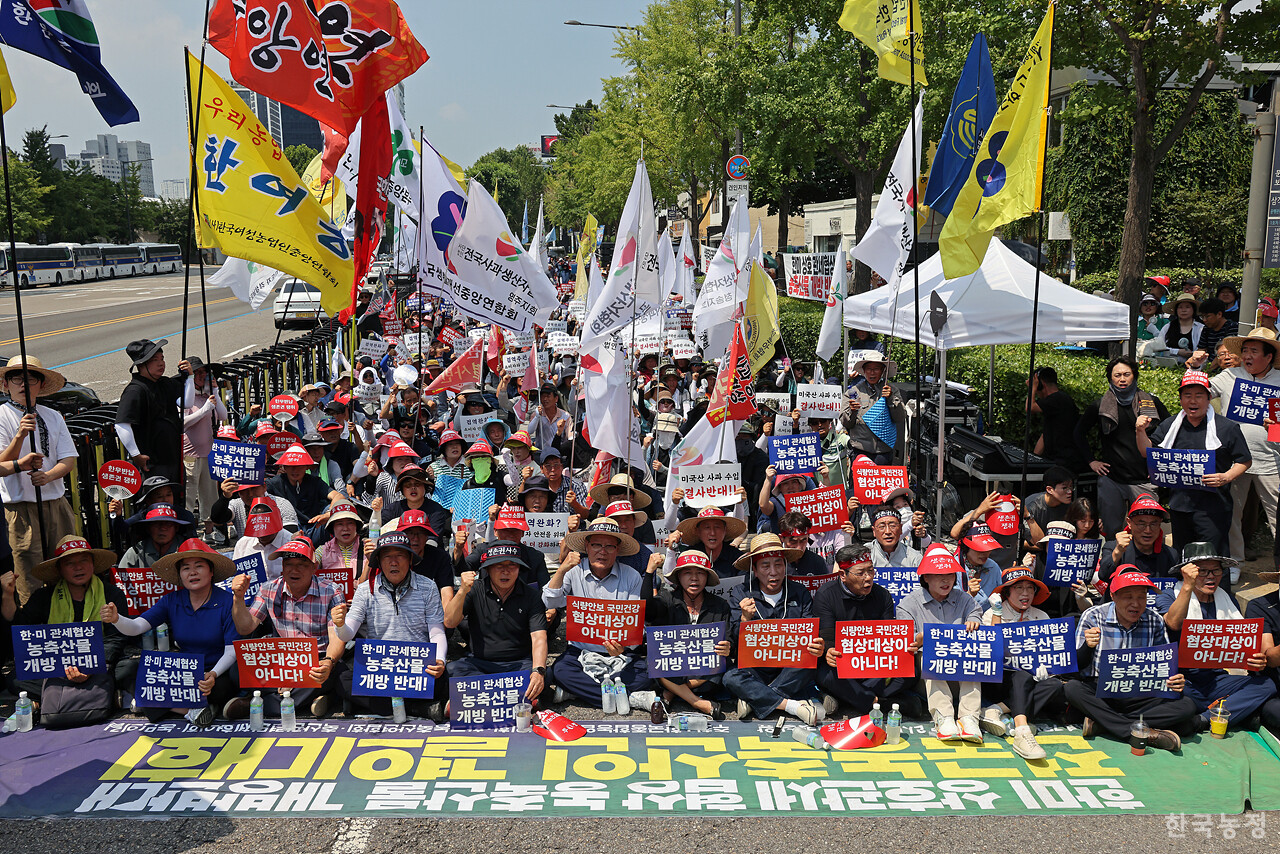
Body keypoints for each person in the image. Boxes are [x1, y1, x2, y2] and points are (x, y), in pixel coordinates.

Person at [101, 538, 239, 726]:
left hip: (214, 673)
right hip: (180, 673)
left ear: (211, 571)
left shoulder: (227, 601)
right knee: (125, 669)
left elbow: (231, 651)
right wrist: (117, 619)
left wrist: (213, 674)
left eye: (199, 566)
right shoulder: (171, 600)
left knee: (227, 685)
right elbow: (137, 627)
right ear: (180, 575)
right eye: (186, 568)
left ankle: (147, 701)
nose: (192, 572)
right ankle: (190, 710)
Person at [1063, 568, 1196, 750]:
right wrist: (1088, 646)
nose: (1136, 604)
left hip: (1140, 694)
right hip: (1102, 692)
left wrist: (1174, 680)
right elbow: (1075, 669)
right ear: (1113, 596)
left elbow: (1164, 666)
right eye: (1128, 597)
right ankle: (1141, 732)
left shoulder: (1154, 620)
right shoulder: (1093, 616)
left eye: (1141, 597)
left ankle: (1105, 723)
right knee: (1072, 689)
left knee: (1187, 705)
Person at [2, 535, 129, 724]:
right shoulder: (44, 597)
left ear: (93, 564)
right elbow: (20, 632)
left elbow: (117, 639)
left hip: (99, 666)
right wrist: (7, 595)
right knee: (15, 678)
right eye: (70, 563)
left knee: (131, 667)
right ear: (60, 570)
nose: (78, 567)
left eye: (84, 561)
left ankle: (53, 695)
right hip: (57, 669)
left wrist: (89, 667)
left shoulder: (111, 593)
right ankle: (102, 693)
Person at [1157, 542, 1275, 732]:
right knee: (1172, 696)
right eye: (1202, 572)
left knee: (1266, 685)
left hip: (1216, 679)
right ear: (1186, 573)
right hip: (1181, 679)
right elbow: (1173, 623)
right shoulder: (1169, 595)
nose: (1211, 577)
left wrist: (1254, 661)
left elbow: (1241, 647)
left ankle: (1205, 719)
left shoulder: (1227, 600)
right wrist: (1188, 586)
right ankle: (1233, 713)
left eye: (1216, 571)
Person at [226, 536, 346, 719]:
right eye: (289, 564)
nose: (294, 570)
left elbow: (336, 636)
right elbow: (245, 627)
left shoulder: (331, 590)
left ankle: (257, 704)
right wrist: (238, 599)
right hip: (281, 660)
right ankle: (305, 698)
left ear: (314, 567)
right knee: (237, 672)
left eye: (302, 564)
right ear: (282, 567)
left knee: (333, 673)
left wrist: (328, 662)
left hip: (316, 658)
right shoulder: (268, 589)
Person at [331, 531, 447, 718]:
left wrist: (440, 660)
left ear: (410, 559)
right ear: (379, 561)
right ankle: (417, 709)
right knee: (342, 679)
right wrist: (340, 624)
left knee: (445, 678)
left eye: (400, 555)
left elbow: (437, 632)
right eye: (387, 557)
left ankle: (383, 707)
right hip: (381, 670)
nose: (394, 562)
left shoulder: (427, 587)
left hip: (416, 667)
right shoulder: (364, 590)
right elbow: (347, 634)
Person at [542, 519, 652, 707]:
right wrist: (561, 570)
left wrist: (624, 646)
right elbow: (549, 601)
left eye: (610, 546)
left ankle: (576, 693)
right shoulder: (573, 571)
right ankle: (628, 699)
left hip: (618, 651)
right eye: (596, 545)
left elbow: (636, 623)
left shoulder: (632, 575)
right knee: (560, 671)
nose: (603, 551)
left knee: (648, 674)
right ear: (587, 546)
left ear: (618, 550)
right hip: (580, 651)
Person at [1140, 370, 1250, 553]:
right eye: (1187, 395)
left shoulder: (1227, 427)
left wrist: (1226, 477)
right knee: (1184, 556)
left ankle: (1218, 583)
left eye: (1199, 395)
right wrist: (1140, 431)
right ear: (1181, 399)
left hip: (1214, 507)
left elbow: (1244, 460)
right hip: (1179, 506)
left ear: (1208, 398)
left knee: (1213, 557)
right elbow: (1147, 453)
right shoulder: (1170, 425)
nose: (1193, 401)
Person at [0, 356, 79, 603]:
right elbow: (1, 463)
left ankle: (67, 621)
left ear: (41, 385)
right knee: (28, 576)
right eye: (16, 378)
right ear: (6, 385)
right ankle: (34, 628)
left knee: (66, 566)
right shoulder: (2, 416)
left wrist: (47, 476)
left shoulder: (53, 415)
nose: (24, 384)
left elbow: (68, 459)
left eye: (31, 378)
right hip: (21, 508)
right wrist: (20, 437)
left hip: (56, 503)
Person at [725, 533, 827, 724]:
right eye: (765, 565)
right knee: (730, 677)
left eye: (778, 564)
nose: (774, 572)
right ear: (754, 569)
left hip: (789, 668)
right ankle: (793, 706)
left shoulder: (799, 591)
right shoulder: (742, 592)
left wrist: (817, 646)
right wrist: (746, 619)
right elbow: (736, 640)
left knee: (812, 663)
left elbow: (810, 633)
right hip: (755, 667)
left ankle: (756, 698)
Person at [814, 544, 919, 717]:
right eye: (860, 573)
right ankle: (884, 703)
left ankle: (857, 699)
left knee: (910, 670)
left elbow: (889, 637)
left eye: (871, 570)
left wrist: (906, 646)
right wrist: (829, 651)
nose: (868, 578)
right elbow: (827, 638)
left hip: (874, 666)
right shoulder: (826, 595)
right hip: (842, 665)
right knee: (824, 673)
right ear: (843, 575)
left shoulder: (883, 595)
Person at [896, 544, 983, 742]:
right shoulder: (908, 604)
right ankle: (943, 717)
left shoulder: (963, 598)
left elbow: (975, 612)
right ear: (925, 577)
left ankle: (969, 717)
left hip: (962, 674)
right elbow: (906, 640)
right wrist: (917, 640)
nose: (946, 580)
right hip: (927, 678)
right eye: (938, 575)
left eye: (950, 575)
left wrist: (974, 622)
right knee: (930, 652)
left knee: (973, 650)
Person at [1074, 357, 1168, 538]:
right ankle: (1113, 564)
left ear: (1135, 376)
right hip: (1112, 480)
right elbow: (1078, 433)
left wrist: (1159, 464)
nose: (1122, 379)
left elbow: (1170, 431)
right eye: (1117, 375)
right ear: (1110, 378)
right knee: (1111, 532)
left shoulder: (1150, 402)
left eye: (1127, 374)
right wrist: (1091, 461)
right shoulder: (1100, 405)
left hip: (1144, 480)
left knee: (1148, 532)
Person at [443, 541, 548, 703]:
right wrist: (462, 591)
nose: (505, 571)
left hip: (518, 664)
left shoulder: (532, 596)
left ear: (519, 569)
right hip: (479, 663)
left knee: (545, 675)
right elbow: (449, 622)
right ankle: (516, 699)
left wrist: (538, 670)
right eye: (499, 566)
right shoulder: (474, 589)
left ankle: (477, 698)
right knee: (451, 670)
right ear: (488, 569)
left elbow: (539, 637)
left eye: (512, 565)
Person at [1212, 328, 1280, 568]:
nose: (1247, 356)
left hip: (1271, 461)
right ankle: (1234, 563)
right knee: (1231, 514)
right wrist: (1195, 368)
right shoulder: (1229, 376)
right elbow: (1198, 392)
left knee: (1277, 515)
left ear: (1269, 357)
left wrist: (1278, 425)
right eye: (1245, 351)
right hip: (1235, 460)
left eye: (1254, 351)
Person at [981, 567, 1064, 761]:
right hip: (1000, 679)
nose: (1025, 593)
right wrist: (997, 613)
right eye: (1019, 588)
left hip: (1029, 682)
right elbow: (990, 650)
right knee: (1021, 675)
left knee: (1055, 685)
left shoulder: (1042, 616)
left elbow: (1050, 654)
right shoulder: (991, 613)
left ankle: (998, 711)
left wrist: (1047, 670)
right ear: (1007, 592)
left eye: (1030, 588)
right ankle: (1022, 731)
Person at [644, 550, 731, 719]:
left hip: (704, 674)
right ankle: (696, 702)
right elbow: (647, 610)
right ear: (678, 577)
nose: (694, 578)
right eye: (687, 573)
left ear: (707, 577)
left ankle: (672, 692)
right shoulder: (667, 599)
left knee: (724, 670)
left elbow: (728, 640)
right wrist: (649, 573)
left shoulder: (720, 605)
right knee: (653, 661)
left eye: (700, 573)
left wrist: (727, 647)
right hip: (672, 668)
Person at [115, 338, 187, 494]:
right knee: (156, 504)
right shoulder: (135, 391)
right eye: (155, 360)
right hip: (153, 463)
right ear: (142, 365)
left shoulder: (164, 383)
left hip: (172, 458)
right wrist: (136, 455)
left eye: (162, 359)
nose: (161, 363)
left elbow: (186, 402)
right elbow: (121, 424)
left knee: (175, 500)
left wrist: (190, 377)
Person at [182, 356, 228, 544]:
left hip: (207, 453)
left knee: (209, 494)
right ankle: (187, 532)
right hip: (189, 454)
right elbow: (182, 424)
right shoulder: (186, 397)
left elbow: (222, 415)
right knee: (189, 496)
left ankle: (208, 531)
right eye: (198, 373)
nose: (202, 376)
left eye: (204, 373)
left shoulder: (205, 396)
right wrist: (203, 410)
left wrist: (215, 393)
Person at [843, 353, 905, 466]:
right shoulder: (853, 392)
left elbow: (900, 417)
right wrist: (852, 411)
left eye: (876, 369)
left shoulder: (892, 390)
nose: (872, 373)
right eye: (869, 369)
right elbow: (846, 423)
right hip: (860, 451)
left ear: (882, 371)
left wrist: (891, 398)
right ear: (864, 371)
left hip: (884, 452)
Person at [1100, 495, 1179, 582]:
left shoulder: (1171, 555)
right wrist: (1118, 552)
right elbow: (1104, 576)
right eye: (1141, 524)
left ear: (1160, 524)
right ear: (1129, 523)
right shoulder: (1113, 547)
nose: (1148, 530)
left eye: (1153, 524)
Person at [1026, 367, 1083, 472]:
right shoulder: (1057, 401)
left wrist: (1031, 388)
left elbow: (1030, 408)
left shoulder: (1057, 399)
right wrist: (1032, 459)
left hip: (1063, 461)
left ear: (1041, 384)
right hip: (1057, 460)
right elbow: (1045, 435)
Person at [672, 505, 746, 581]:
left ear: (725, 530)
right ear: (698, 531)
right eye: (707, 528)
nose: (712, 533)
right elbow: (672, 581)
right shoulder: (689, 555)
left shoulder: (738, 558)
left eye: (717, 527)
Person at [118, 504, 193, 570]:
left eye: (168, 524)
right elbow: (120, 581)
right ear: (148, 528)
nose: (163, 528)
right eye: (157, 524)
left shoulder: (189, 551)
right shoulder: (136, 553)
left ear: (176, 528)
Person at [1022, 466, 1076, 547]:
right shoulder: (1031, 506)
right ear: (1049, 489)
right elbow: (1037, 542)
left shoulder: (1070, 507)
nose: (1070, 491)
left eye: (1071, 487)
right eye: (1064, 488)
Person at [958, 522, 1003, 603]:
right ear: (966, 547)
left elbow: (1003, 592)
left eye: (987, 548)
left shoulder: (992, 566)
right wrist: (969, 594)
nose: (985, 553)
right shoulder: (955, 568)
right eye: (979, 549)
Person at [1191, 297, 1239, 371]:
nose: (1204, 320)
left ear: (1219, 314)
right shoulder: (1206, 329)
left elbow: (1221, 356)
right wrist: (1193, 362)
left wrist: (1207, 372)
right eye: (1202, 317)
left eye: (1207, 316)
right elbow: (1201, 349)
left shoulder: (1232, 327)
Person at [1163, 294, 1204, 365]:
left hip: (1193, 367)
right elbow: (1159, 347)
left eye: (1187, 307)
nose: (1183, 310)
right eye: (1180, 307)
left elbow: (1203, 349)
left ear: (1193, 309)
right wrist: (1177, 351)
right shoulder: (1168, 327)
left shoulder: (1200, 328)